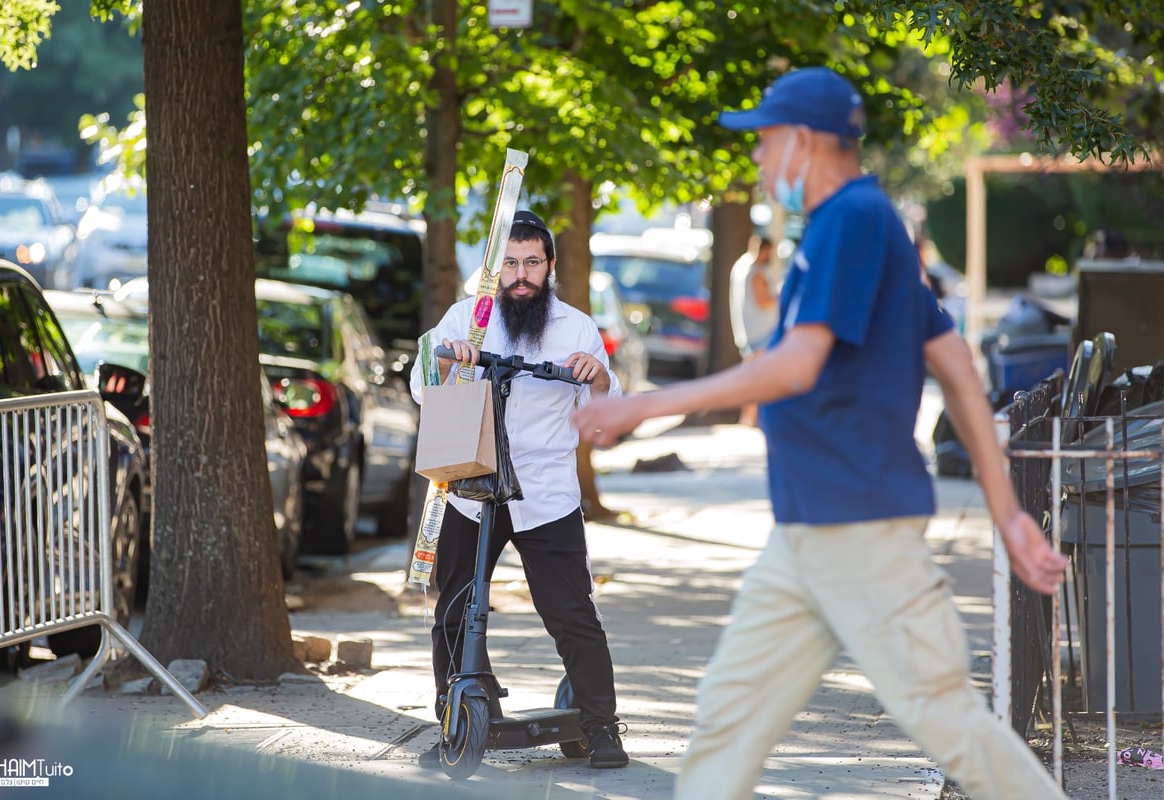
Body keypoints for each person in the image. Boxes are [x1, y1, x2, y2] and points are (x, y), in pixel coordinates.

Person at [573, 67, 1069, 799]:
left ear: (804, 141)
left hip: (859, 527)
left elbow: (797, 364)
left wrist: (640, 407)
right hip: (806, 530)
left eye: (765, 142)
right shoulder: (854, 226)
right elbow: (958, 365)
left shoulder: (852, 220)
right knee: (726, 720)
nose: (758, 160)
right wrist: (1008, 515)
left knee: (946, 718)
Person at [409, 209, 629, 769]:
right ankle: (455, 720)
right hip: (471, 487)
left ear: (550, 266)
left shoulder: (576, 327)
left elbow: (605, 412)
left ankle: (603, 727)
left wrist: (597, 375)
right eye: (510, 263)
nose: (521, 274)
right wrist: (451, 364)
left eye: (532, 262)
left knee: (571, 611)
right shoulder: (467, 319)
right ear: (495, 269)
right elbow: (420, 386)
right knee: (454, 610)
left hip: (545, 491)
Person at [727, 233, 777, 425]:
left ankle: (748, 417)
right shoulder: (756, 271)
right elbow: (763, 301)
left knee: (750, 376)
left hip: (747, 330)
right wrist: (780, 298)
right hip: (761, 331)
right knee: (759, 378)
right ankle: (752, 418)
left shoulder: (740, 266)